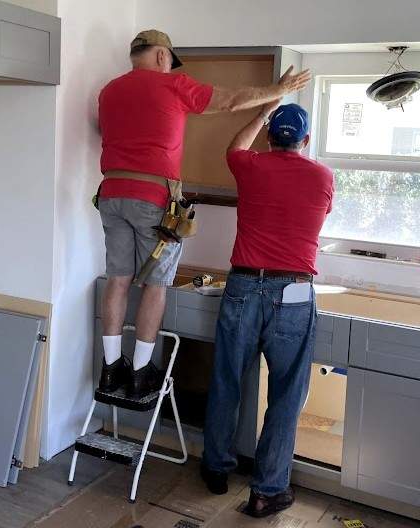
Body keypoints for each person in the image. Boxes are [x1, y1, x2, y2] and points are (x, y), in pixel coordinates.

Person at [97, 29, 312, 398]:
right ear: (163, 56)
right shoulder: (173, 85)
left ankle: (110, 367)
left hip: (111, 193)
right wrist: (277, 91)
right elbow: (230, 100)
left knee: (118, 279)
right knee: (155, 283)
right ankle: (140, 371)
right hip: (152, 197)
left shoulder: (109, 90)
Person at [201, 101, 335, 518]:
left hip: (243, 285)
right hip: (294, 291)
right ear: (306, 140)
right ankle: (267, 490)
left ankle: (216, 469)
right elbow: (320, 213)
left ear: (269, 136)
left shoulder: (251, 166)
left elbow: (234, 146)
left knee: (227, 380)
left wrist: (261, 112)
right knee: (286, 394)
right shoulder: (323, 177)